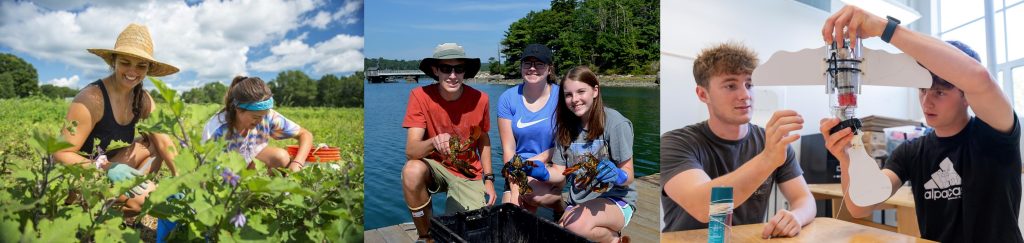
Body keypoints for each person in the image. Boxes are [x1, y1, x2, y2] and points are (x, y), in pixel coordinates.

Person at [820, 5, 1022, 242]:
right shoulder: (912, 151)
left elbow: (978, 77)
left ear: (966, 95)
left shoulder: (994, 135)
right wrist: (847, 158)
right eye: (922, 90)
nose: (927, 101)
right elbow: (861, 206)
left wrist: (885, 29)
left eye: (940, 93)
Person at [660, 42, 816, 238]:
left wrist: (796, 217)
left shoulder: (771, 142)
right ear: (703, 94)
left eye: (749, 85)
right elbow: (703, 207)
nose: (745, 95)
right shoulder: (675, 143)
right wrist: (767, 159)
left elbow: (804, 199)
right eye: (730, 85)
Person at [55, 23, 179, 215]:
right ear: (113, 61)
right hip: (82, 172)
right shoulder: (92, 98)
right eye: (125, 62)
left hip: (112, 163)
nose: (132, 71)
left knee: (153, 143)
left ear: (148, 68)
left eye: (141, 65)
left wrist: (182, 178)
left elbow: (164, 141)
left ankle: (124, 196)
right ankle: (86, 209)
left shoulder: (142, 98)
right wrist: (105, 168)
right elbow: (61, 153)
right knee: (146, 200)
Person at [400, 43, 496, 242]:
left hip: (467, 170)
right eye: (446, 68)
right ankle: (426, 236)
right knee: (411, 170)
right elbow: (411, 150)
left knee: (470, 233)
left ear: (464, 72)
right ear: (436, 70)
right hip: (435, 167)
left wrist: (489, 179)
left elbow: (483, 141)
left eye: (458, 69)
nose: (452, 75)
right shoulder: (420, 96)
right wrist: (434, 141)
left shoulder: (481, 99)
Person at [553, 66, 635, 243]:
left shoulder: (616, 123)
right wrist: (539, 172)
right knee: (556, 234)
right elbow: (559, 172)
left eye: (581, 91)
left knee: (574, 226)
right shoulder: (565, 128)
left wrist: (618, 175)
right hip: (578, 202)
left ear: (595, 91)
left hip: (616, 199)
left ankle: (614, 240)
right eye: (568, 95)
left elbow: (629, 176)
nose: (575, 99)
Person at [498, 44, 564, 216]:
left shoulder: (562, 97)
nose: (532, 68)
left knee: (531, 196)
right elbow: (508, 149)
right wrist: (513, 190)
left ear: (549, 69)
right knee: (510, 214)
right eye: (527, 63)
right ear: (521, 68)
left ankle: (559, 203)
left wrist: (534, 161)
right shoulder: (508, 98)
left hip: (551, 164)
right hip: (517, 169)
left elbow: (565, 144)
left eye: (539, 64)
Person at [201, 76, 314, 172]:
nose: (261, 121)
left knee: (281, 157)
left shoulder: (267, 115)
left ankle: (256, 195)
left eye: (264, 115)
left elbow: (305, 134)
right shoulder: (217, 130)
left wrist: (297, 163)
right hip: (225, 173)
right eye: (256, 117)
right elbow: (206, 171)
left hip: (251, 164)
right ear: (238, 110)